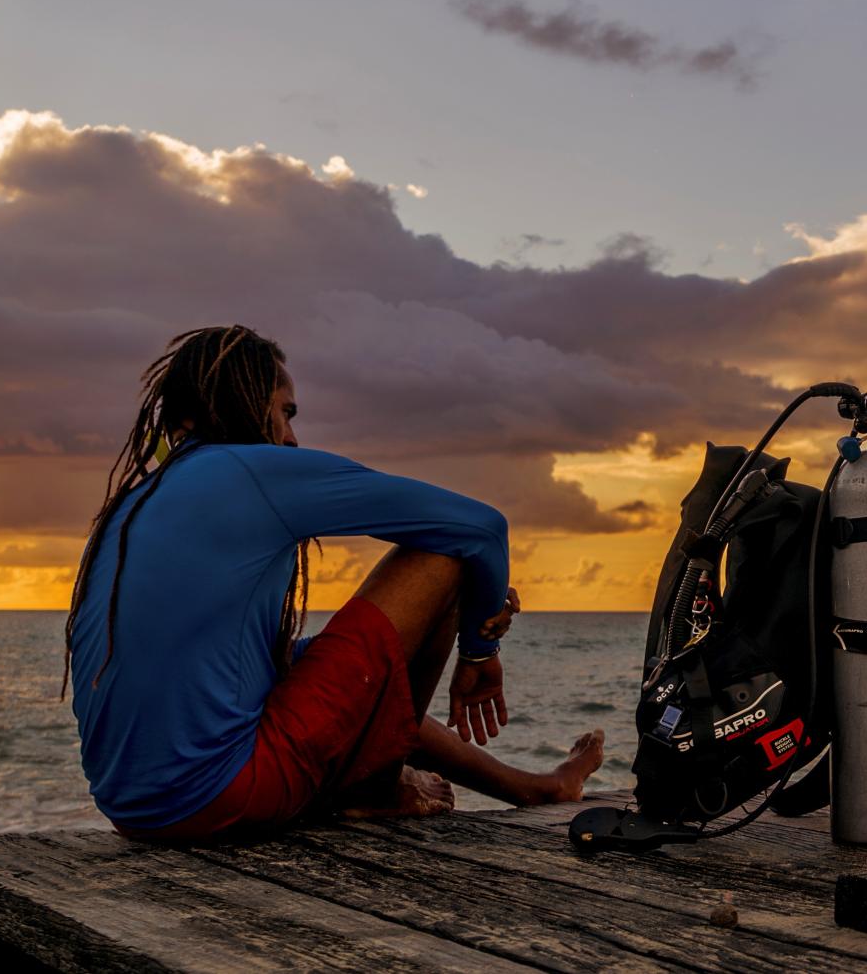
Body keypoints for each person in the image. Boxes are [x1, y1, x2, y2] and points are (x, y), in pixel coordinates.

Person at [64, 325, 603, 840]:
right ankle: (378, 787)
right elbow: (481, 529)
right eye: (284, 412)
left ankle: (534, 787)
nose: (292, 437)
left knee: (309, 662)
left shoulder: (132, 504)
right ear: (244, 404)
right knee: (444, 558)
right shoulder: (249, 469)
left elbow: (243, 673)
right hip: (220, 799)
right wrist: (480, 652)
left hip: (131, 808)